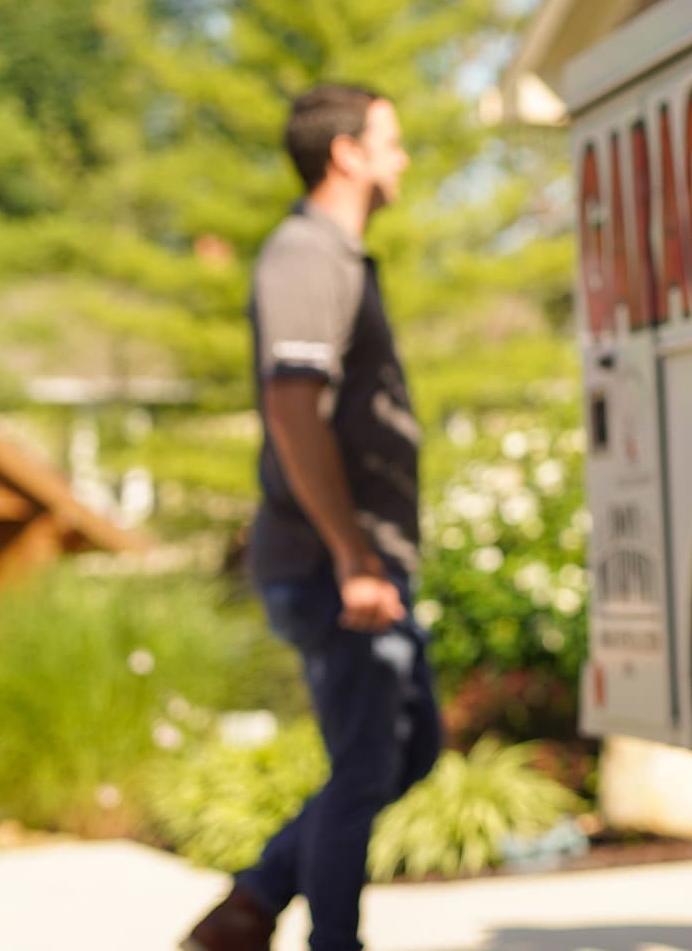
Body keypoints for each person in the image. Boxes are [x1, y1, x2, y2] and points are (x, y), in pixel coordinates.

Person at [184, 85, 436, 951]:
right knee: (368, 762)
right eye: (391, 142)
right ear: (347, 154)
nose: (402, 159)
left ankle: (252, 903)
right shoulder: (304, 256)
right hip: (332, 562)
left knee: (409, 750)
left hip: (360, 557)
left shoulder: (339, 256)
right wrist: (354, 558)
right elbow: (295, 412)